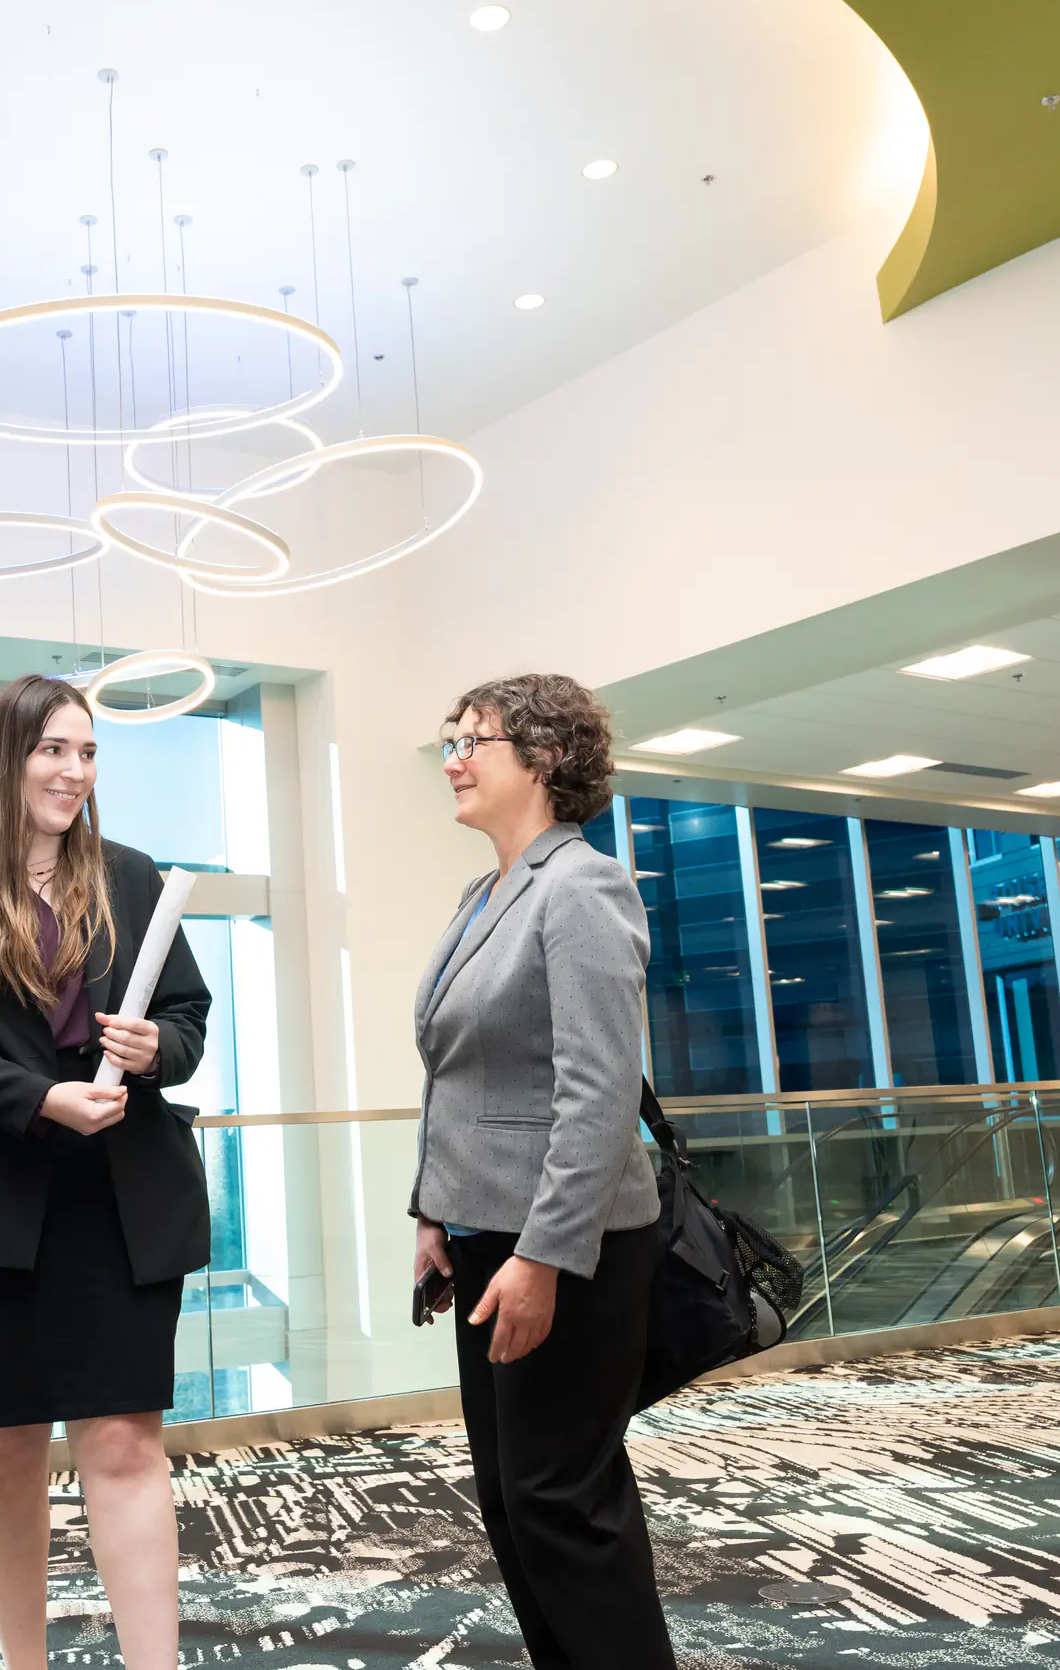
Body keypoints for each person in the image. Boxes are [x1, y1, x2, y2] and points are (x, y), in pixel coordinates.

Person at [0, 672, 212, 1670]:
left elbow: (188, 1018)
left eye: (88, 752)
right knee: (8, 1445)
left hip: (118, 1200)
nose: (73, 771)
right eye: (53, 750)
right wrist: (35, 1099)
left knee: (123, 1443)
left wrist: (155, 1049)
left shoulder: (135, 876)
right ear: (6, 757)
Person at [409, 672, 674, 1670]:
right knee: (517, 1503)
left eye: (474, 740)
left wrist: (541, 1255)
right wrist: (434, 1212)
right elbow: (461, 1073)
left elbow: (597, 1094)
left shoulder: (583, 887)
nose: (454, 759)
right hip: (487, 1240)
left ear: (547, 758)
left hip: (571, 1250)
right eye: (452, 738)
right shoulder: (484, 895)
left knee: (565, 1503)